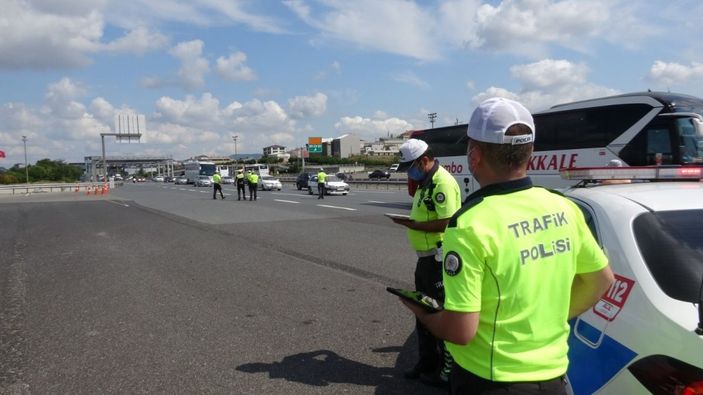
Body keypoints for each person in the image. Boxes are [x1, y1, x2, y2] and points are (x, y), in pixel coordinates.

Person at [400, 97, 615, 394]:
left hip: (490, 380)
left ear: (474, 156)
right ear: (531, 153)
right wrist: (547, 319)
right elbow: (602, 280)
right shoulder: (564, 207)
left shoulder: (469, 225)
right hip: (555, 379)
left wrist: (422, 312)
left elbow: (461, 331)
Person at [389, 138, 461, 387]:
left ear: (424, 160)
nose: (409, 172)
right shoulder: (424, 182)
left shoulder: (442, 182)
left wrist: (414, 225)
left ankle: (445, 371)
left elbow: (448, 220)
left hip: (439, 260)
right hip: (425, 259)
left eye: (411, 166)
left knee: (439, 312)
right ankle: (426, 361)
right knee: (422, 311)